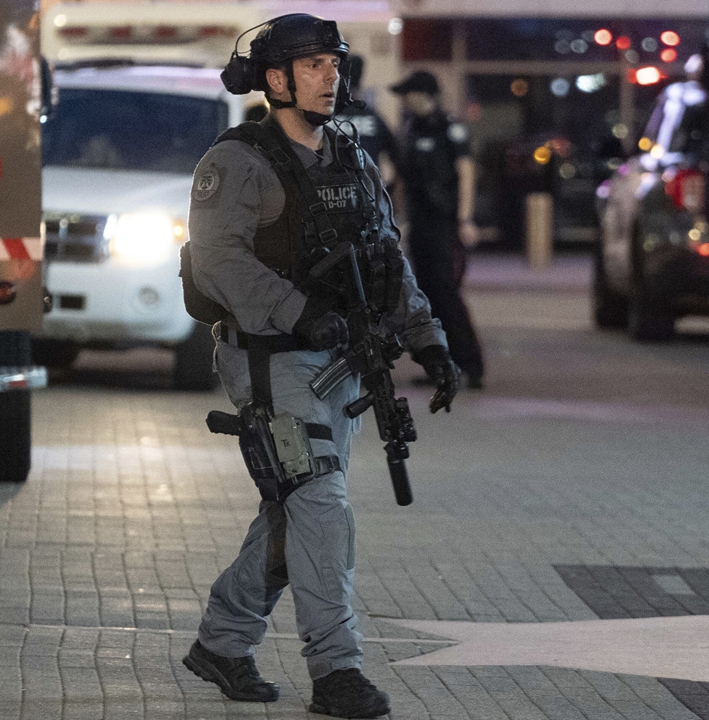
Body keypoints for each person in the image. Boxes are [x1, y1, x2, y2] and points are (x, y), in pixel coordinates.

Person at [181, 13, 459, 719]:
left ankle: (221, 642)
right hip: (271, 363)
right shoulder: (237, 161)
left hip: (340, 366)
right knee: (321, 506)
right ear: (275, 79)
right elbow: (219, 262)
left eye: (334, 64)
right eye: (313, 65)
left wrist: (429, 340)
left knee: (294, 511)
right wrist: (298, 311)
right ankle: (337, 670)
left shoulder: (350, 156)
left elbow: (385, 257)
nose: (331, 76)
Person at [391, 71, 486, 389]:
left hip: (444, 223)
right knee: (427, 297)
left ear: (423, 94)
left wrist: (464, 218)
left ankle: (471, 364)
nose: (405, 100)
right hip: (421, 223)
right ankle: (443, 367)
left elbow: (466, 170)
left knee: (447, 293)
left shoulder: (449, 127)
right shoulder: (411, 128)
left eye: (408, 94)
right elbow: (405, 178)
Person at [334, 55, 398, 169]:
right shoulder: (372, 116)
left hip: (334, 183)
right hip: (368, 183)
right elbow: (395, 151)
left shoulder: (327, 117)